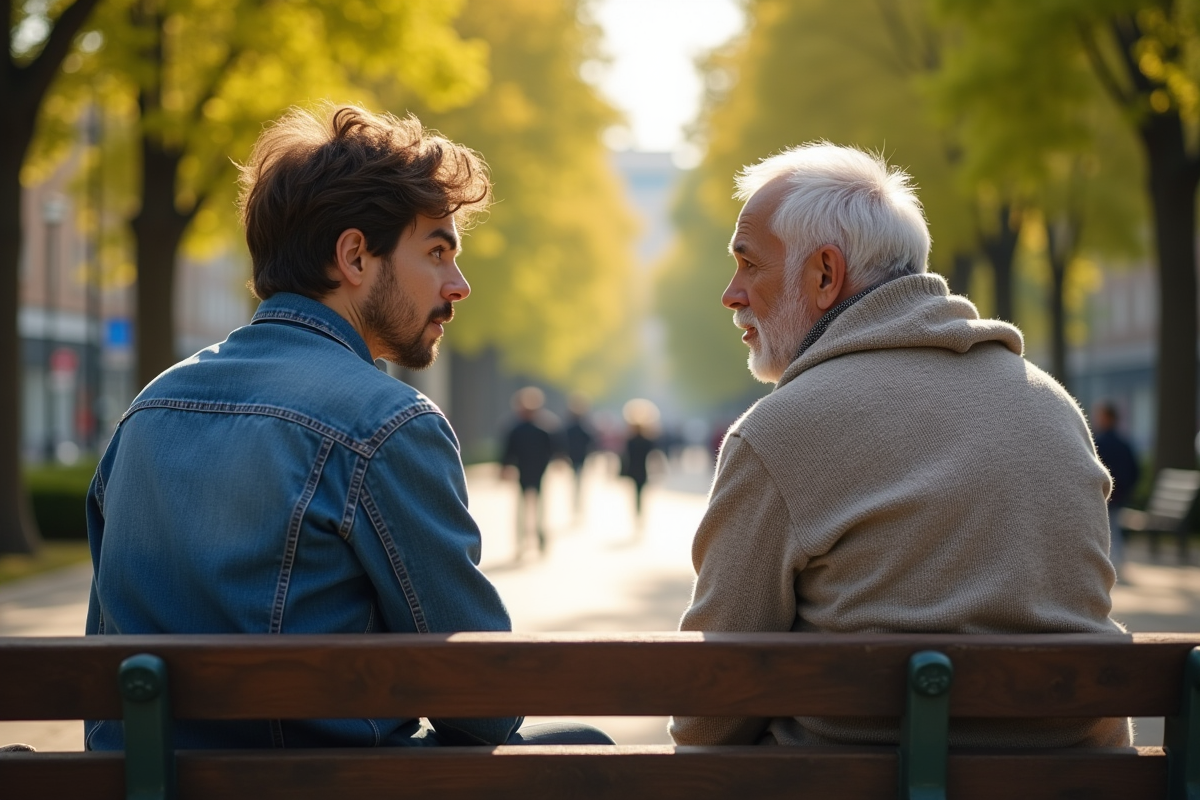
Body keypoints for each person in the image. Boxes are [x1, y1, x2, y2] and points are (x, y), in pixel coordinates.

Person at [84, 104, 610, 750]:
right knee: (586, 748)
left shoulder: (148, 409)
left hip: (146, 787)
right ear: (355, 256)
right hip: (322, 788)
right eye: (438, 252)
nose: (460, 285)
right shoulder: (387, 424)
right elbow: (483, 702)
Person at [670, 143, 1128, 750]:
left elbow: (711, 711)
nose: (731, 293)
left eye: (749, 264)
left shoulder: (780, 432)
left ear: (825, 274)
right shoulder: (1053, 407)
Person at [501, 386, 556, 555]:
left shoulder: (518, 429)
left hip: (529, 471)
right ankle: (532, 538)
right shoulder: (543, 429)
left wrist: (505, 467)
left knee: (529, 507)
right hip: (533, 471)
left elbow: (508, 452)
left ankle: (528, 539)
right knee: (535, 507)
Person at [1092, 402, 1141, 578]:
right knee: (1114, 524)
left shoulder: (1098, 443)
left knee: (1110, 526)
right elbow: (1135, 470)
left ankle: (1115, 560)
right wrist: (1127, 489)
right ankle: (1118, 559)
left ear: (1107, 418)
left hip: (1105, 494)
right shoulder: (1124, 443)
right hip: (1121, 494)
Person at [563, 393, 595, 518]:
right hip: (578, 456)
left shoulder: (572, 427)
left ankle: (575, 502)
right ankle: (576, 502)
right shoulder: (583, 427)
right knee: (577, 479)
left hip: (576, 456)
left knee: (576, 479)